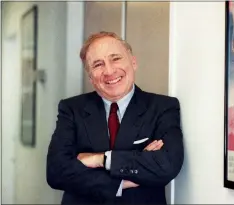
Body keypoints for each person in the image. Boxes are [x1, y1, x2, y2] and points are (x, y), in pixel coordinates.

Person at [46, 31, 184, 205]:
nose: (109, 71)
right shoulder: (72, 109)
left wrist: (101, 159)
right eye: (98, 64)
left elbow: (167, 165)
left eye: (116, 58)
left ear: (133, 62)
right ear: (90, 77)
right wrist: (123, 181)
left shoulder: (162, 107)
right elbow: (56, 172)